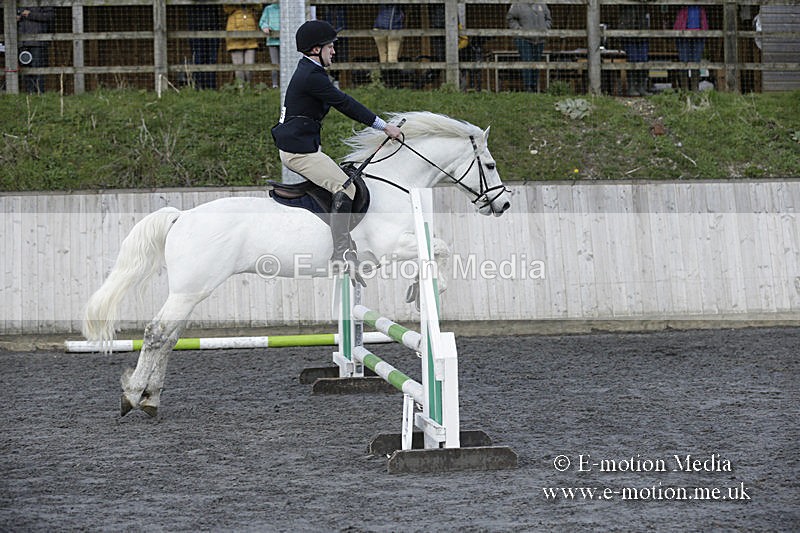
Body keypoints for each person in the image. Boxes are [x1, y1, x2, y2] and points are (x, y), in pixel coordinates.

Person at [270, 20, 403, 283]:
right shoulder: (311, 76)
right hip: (299, 153)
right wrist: (384, 127)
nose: (334, 51)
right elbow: (345, 104)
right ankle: (341, 254)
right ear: (315, 49)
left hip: (303, 147)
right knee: (346, 188)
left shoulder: (311, 71)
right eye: (330, 46)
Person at [506, 2, 551, 93]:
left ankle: (534, 86)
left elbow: (548, 19)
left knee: (536, 63)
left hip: (540, 39)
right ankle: (528, 87)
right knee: (527, 61)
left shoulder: (542, 4)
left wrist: (545, 28)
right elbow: (510, 18)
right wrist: (519, 30)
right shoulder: (517, 4)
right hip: (524, 39)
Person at [17, 5, 54, 94]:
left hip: (37, 42)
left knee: (38, 70)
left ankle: (39, 94)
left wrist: (31, 14)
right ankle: (30, 95)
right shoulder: (18, 2)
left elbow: (49, 16)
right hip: (22, 42)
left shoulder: (43, 3)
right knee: (25, 71)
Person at [619, 3, 652, 96]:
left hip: (643, 26)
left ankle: (642, 87)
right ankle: (632, 86)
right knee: (632, 58)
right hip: (628, 26)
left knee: (643, 58)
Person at [674, 5, 708, 91]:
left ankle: (695, 89)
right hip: (683, 32)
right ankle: (684, 89)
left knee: (696, 62)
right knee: (683, 61)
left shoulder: (701, 7)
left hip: (699, 33)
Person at [187, 4, 221, 90]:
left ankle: (211, 88)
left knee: (212, 59)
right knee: (198, 58)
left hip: (211, 23)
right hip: (196, 23)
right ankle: (200, 88)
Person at [224, 4, 259, 85]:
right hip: (235, 36)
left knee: (249, 66)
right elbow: (226, 7)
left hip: (251, 35)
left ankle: (248, 87)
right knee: (238, 67)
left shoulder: (251, 10)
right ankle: (241, 88)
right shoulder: (232, 9)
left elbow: (258, 6)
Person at [259, 2, 280, 88]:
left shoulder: (286, 8)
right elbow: (262, 21)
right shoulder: (268, 9)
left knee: (287, 63)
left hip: (286, 41)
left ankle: (287, 84)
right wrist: (265, 27)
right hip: (272, 41)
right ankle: (275, 85)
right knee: (274, 63)